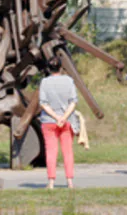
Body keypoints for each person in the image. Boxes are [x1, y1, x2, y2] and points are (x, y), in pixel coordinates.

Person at [39, 56, 79, 190]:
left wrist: (56, 117)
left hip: (49, 121)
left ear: (49, 68)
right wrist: (63, 117)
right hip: (67, 121)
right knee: (67, 151)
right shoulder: (69, 81)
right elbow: (73, 101)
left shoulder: (44, 82)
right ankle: (70, 181)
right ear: (61, 67)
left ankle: (51, 182)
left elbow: (43, 103)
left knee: (51, 152)